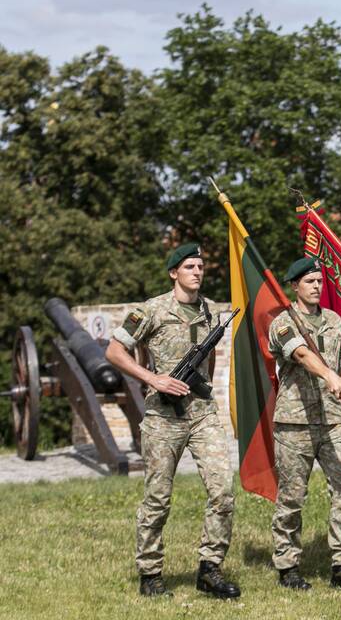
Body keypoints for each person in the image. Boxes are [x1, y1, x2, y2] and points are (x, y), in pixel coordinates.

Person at [105, 243, 240, 599]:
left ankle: (210, 569)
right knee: (158, 497)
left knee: (223, 490)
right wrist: (152, 379)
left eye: (200, 266)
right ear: (173, 273)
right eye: (189, 266)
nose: (197, 271)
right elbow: (114, 351)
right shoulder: (151, 310)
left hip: (202, 414)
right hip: (163, 418)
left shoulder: (210, 311)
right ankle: (150, 573)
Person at [267, 258, 341, 591]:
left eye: (319, 281)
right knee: (292, 496)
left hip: (330, 421)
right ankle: (288, 566)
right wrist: (325, 372)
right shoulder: (283, 322)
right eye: (309, 281)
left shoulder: (334, 321)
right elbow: (299, 354)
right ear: (295, 286)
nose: (316, 286)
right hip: (294, 422)